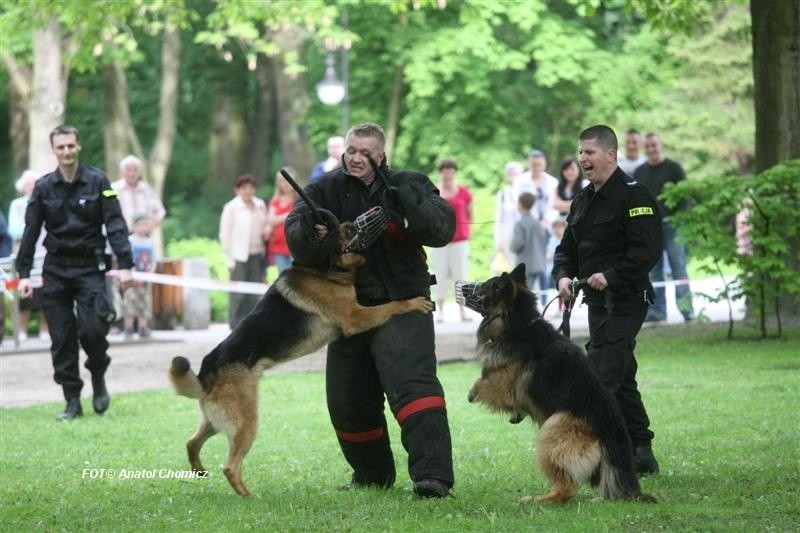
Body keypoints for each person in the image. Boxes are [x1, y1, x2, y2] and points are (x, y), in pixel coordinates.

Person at [284, 122, 456, 498]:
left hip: (404, 305)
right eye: (351, 151)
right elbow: (294, 236)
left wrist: (408, 205)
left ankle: (432, 477)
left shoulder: (410, 182)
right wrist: (314, 233)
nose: (356, 158)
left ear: (381, 156)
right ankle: (372, 476)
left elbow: (443, 229)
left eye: (365, 153)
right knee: (347, 401)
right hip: (349, 313)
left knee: (414, 389)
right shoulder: (322, 190)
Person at [553, 124, 663, 475]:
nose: (583, 158)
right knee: (622, 373)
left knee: (599, 374)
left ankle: (596, 457)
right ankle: (641, 451)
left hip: (629, 298)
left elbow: (647, 251)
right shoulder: (582, 200)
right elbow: (566, 250)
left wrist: (611, 275)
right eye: (581, 152)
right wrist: (564, 276)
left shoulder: (635, 195)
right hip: (597, 304)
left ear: (611, 155)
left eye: (590, 152)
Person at [15, 124, 133, 421]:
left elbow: (115, 223)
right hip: (56, 270)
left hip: (90, 269)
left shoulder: (98, 181)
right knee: (62, 339)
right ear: (54, 151)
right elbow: (31, 231)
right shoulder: (43, 187)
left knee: (93, 331)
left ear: (78, 147)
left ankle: (98, 376)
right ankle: (72, 401)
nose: (66, 151)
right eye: (61, 147)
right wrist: (25, 273)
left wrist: (126, 265)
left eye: (71, 146)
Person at [634, 132, 695, 322]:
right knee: (654, 270)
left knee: (679, 268)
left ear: (661, 145)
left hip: (673, 226)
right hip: (650, 229)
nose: (651, 149)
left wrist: (679, 220)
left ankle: (686, 309)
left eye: (654, 145)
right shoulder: (640, 172)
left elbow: (685, 197)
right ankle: (657, 311)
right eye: (648, 146)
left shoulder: (674, 168)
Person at [219, 173, 269, 328]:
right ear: (237, 190)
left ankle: (250, 323)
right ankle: (235, 323)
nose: (247, 191)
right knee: (238, 293)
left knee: (253, 291)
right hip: (238, 255)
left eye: (251, 188)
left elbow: (266, 224)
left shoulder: (260, 204)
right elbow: (224, 234)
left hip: (257, 253)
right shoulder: (231, 207)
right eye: (244, 188)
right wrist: (229, 259)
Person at [7, 169, 49, 341]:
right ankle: (22, 330)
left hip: (45, 251)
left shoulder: (46, 201)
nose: (32, 187)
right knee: (24, 292)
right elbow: (14, 230)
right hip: (24, 252)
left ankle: (45, 330)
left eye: (34, 183)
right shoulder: (16, 205)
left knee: (47, 291)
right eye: (28, 184)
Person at [431, 158, 473, 322]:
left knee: (461, 274)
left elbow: (470, 214)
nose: (448, 174)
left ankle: (463, 311)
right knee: (439, 274)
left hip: (460, 239)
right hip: (439, 240)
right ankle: (440, 310)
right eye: (445, 170)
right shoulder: (434, 191)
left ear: (455, 172)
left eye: (451, 170)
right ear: (440, 172)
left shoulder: (463, 191)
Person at [111, 155, 166, 234]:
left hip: (143, 236)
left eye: (135, 170)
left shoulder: (147, 189)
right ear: (122, 171)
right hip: (120, 234)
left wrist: (151, 226)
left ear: (140, 172)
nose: (132, 173)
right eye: (128, 170)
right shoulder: (113, 188)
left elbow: (160, 211)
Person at [122, 213, 157, 340]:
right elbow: (127, 259)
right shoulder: (130, 241)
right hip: (131, 278)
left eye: (145, 224)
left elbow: (153, 260)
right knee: (130, 302)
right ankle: (128, 328)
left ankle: (143, 327)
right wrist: (133, 274)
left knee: (145, 303)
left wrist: (149, 275)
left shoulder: (150, 242)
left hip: (146, 278)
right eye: (140, 224)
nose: (143, 227)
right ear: (133, 226)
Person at [510, 192, 548, 303]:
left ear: (520, 204)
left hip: (525, 263)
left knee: (524, 292)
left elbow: (518, 242)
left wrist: (512, 248)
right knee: (535, 290)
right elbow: (543, 240)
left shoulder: (520, 223)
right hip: (539, 262)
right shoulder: (537, 222)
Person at [514, 149, 559, 232]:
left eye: (539, 164)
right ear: (528, 164)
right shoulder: (519, 181)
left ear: (544, 164)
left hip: (549, 227)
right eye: (533, 165)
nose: (536, 168)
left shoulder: (553, 182)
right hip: (527, 227)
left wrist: (546, 220)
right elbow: (516, 205)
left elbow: (556, 205)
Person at [493, 161, 524, 271]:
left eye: (518, 173)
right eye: (513, 174)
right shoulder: (503, 194)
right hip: (507, 234)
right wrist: (498, 241)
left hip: (523, 234)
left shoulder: (526, 192)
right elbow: (498, 219)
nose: (515, 177)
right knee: (509, 268)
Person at [266, 168, 298, 275]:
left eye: (289, 180)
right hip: (278, 247)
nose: (286, 184)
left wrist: (278, 218)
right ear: (278, 183)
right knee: (282, 277)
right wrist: (288, 215)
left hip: (294, 247)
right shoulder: (275, 201)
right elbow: (271, 220)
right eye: (283, 181)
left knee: (294, 277)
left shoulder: (298, 200)